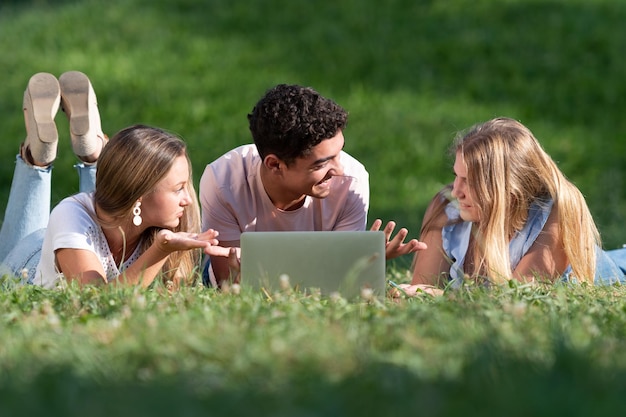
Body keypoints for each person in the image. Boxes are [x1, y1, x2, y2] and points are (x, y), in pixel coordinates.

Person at [0, 71, 228, 289]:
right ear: (140, 194)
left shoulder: (166, 223)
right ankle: (40, 161)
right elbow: (95, 299)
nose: (188, 199)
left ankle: (90, 154)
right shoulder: (70, 215)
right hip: (29, 261)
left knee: (109, 204)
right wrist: (160, 250)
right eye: (178, 189)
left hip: (79, 237)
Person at [199, 84, 423, 287]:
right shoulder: (223, 182)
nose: (339, 170)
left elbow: (341, 281)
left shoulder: (352, 181)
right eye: (323, 163)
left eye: (339, 153)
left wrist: (361, 261)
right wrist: (337, 263)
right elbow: (231, 282)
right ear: (275, 165)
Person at [397, 117, 626, 297]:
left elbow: (516, 300)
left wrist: (439, 298)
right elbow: (422, 291)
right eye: (457, 176)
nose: (456, 191)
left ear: (509, 190)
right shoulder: (447, 205)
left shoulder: (556, 212)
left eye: (470, 181)